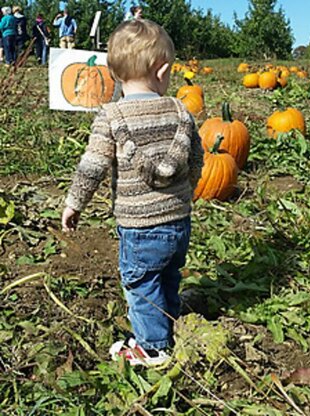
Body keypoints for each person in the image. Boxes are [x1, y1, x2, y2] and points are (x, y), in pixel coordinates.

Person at [62, 19, 204, 366]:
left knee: (141, 284)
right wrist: (190, 191)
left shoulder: (112, 116)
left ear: (113, 72)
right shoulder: (180, 110)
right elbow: (197, 158)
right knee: (168, 275)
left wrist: (74, 202)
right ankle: (168, 324)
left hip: (139, 226)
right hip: (179, 221)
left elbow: (91, 167)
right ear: (163, 70)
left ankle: (153, 346)